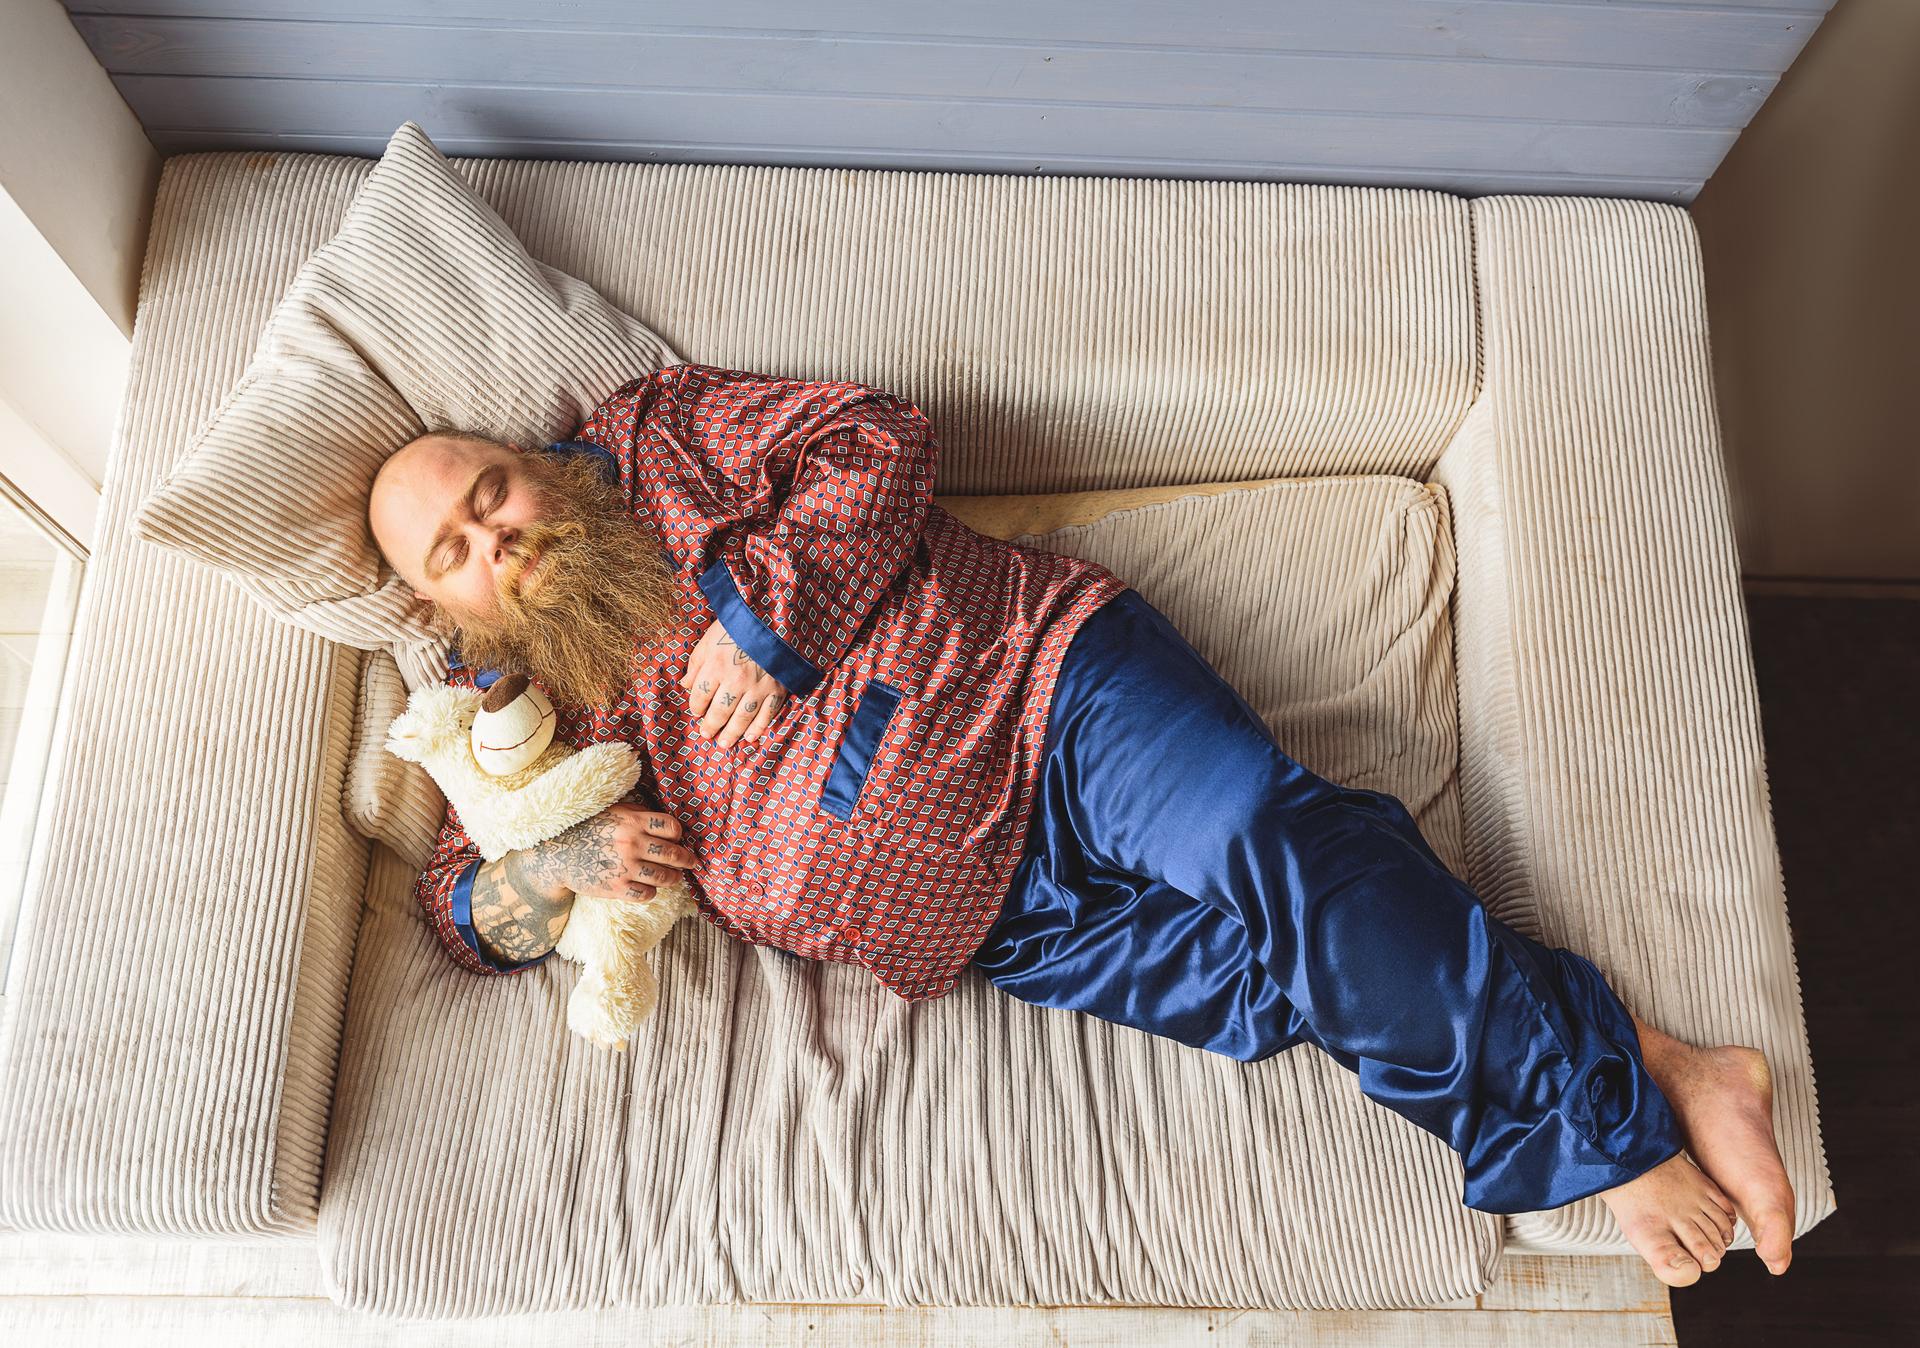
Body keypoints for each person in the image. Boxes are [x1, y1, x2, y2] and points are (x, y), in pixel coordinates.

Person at [366, 361, 1796, 1289]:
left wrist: (766, 621)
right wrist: (553, 864)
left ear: (529, 461)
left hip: (1043, 694)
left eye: (492, 494)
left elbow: (877, 440)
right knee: (1282, 983)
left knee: (1266, 840)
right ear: (445, 605)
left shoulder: (658, 441)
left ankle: (1604, 1135)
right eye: (460, 553)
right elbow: (454, 904)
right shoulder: (518, 714)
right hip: (994, 922)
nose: (502, 540)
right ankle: (1672, 1061)